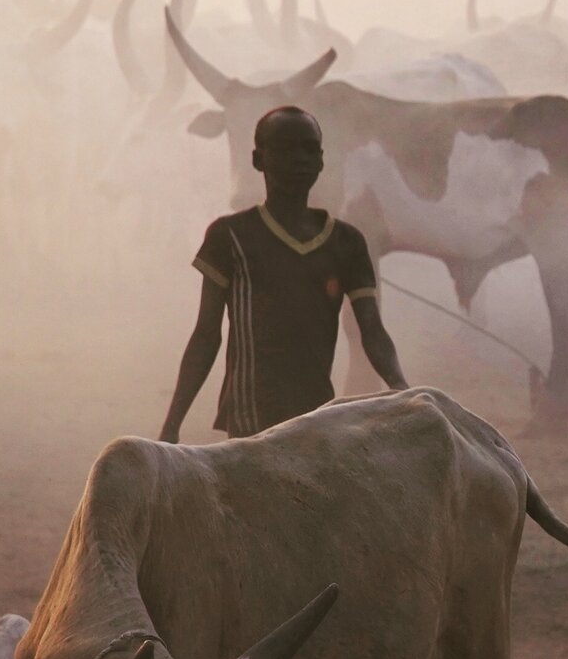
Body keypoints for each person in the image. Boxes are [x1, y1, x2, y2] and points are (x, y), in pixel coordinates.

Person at [161, 105, 407, 443]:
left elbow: (372, 330)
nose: (300, 158)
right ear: (258, 159)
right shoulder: (230, 236)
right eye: (286, 148)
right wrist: (173, 423)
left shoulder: (346, 242)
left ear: (322, 161)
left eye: (309, 149)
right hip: (251, 421)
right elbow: (206, 335)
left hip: (316, 418)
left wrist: (402, 387)